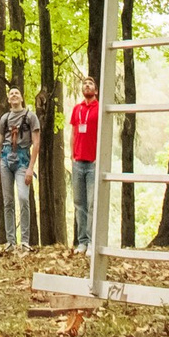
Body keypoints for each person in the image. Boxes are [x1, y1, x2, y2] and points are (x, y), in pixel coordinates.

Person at [0, 86, 39, 253]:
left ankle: (25, 241)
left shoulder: (31, 117)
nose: (14, 95)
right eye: (11, 93)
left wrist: (31, 168)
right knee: (8, 201)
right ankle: (10, 242)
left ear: (21, 98)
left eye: (17, 93)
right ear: (8, 99)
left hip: (22, 159)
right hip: (5, 159)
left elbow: (36, 143)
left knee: (23, 198)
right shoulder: (4, 118)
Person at [68, 75, 101, 253]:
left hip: (93, 163)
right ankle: (81, 241)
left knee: (91, 203)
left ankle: (91, 242)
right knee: (79, 202)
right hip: (78, 162)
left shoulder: (99, 108)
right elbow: (73, 132)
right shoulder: (77, 109)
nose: (87, 85)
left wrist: (99, 157)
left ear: (95, 90)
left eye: (90, 83)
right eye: (85, 84)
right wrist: (71, 155)